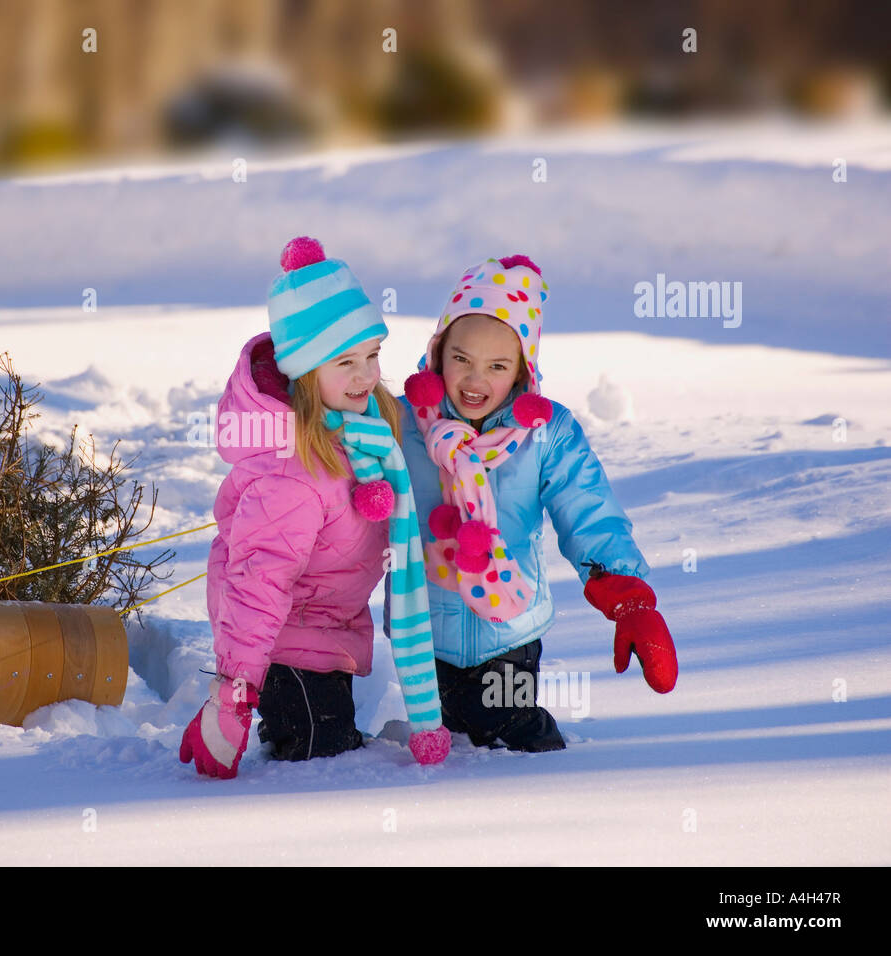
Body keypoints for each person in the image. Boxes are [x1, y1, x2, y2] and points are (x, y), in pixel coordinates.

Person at [179, 237, 451, 779]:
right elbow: (258, 581)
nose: (365, 375)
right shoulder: (293, 474)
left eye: (373, 355)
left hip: (328, 638)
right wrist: (234, 693)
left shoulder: (366, 429)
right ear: (306, 373)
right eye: (345, 361)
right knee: (317, 767)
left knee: (336, 745)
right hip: (282, 650)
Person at [392, 254, 678, 753]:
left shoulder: (546, 433)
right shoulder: (403, 423)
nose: (475, 380)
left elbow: (588, 511)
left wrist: (627, 594)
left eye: (497, 366)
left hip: (511, 629)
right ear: (438, 353)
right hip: (421, 630)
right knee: (442, 740)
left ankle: (541, 790)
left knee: (509, 726)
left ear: (522, 369)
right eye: (461, 358)